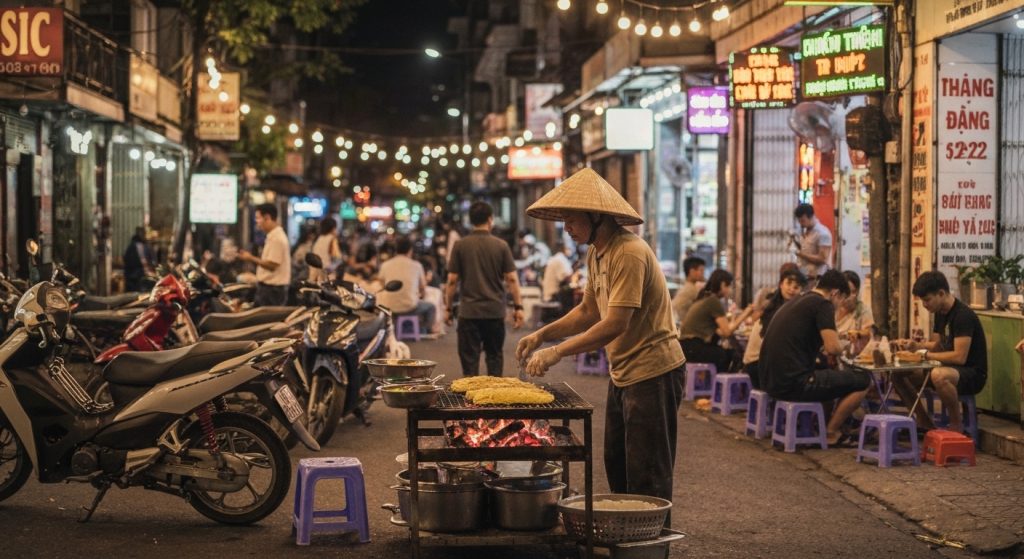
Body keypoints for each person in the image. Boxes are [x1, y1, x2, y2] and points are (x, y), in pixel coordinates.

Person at [516, 168, 685, 512]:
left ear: (596, 216)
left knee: (647, 476)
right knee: (618, 466)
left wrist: (557, 353)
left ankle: (648, 549)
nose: (566, 228)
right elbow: (588, 311)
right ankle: (627, 539)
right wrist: (542, 333)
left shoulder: (629, 252)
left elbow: (614, 324)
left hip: (653, 371)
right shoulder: (597, 252)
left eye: (571, 219)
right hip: (623, 372)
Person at [760, 269, 871, 446]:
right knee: (864, 380)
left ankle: (821, 426)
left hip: (769, 380)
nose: (840, 305)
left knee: (827, 371)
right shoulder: (823, 304)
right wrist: (846, 349)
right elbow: (833, 347)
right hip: (794, 383)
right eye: (841, 299)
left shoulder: (800, 299)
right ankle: (831, 432)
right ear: (835, 293)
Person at [894, 272, 987, 435]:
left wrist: (924, 355)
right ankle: (924, 421)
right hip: (949, 367)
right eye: (922, 300)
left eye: (927, 299)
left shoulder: (963, 316)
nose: (924, 304)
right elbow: (937, 346)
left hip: (972, 373)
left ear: (942, 294)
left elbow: (959, 357)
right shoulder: (940, 313)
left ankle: (956, 426)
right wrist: (916, 346)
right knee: (898, 375)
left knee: (938, 375)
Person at [445, 202, 525, 376]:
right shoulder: (501, 245)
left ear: (470, 220)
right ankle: (493, 401)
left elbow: (452, 281)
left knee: (469, 364)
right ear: (490, 219)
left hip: (469, 313)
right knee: (495, 358)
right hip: (494, 312)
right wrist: (518, 307)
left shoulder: (460, 245)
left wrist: (448, 309)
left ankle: (470, 402)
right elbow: (512, 278)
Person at [742, 267, 807, 389]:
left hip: (759, 365)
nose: (792, 289)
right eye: (789, 283)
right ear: (781, 284)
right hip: (759, 367)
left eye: (796, 287)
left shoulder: (783, 307)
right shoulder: (777, 309)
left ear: (801, 291)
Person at [677, 269, 754, 373]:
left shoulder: (704, 297)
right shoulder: (713, 301)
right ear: (722, 285)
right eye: (728, 286)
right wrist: (746, 313)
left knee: (727, 353)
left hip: (686, 347)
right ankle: (722, 386)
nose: (730, 290)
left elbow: (721, 332)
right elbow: (727, 332)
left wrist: (735, 318)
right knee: (732, 355)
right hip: (694, 347)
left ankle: (718, 385)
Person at [379, 236, 435, 332]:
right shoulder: (417, 265)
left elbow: (382, 284)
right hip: (410, 306)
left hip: (389, 306)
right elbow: (423, 287)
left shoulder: (385, 265)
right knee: (431, 307)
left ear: (396, 250)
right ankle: (424, 330)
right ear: (410, 250)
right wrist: (421, 296)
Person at [239, 203, 291, 306]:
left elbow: (272, 265)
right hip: (269, 289)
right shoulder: (272, 236)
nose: (257, 222)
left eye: (258, 218)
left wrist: (250, 258)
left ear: (267, 218)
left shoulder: (277, 238)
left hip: (273, 291)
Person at [835, 270, 875, 354]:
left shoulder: (863, 310)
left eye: (850, 292)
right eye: (843, 292)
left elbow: (868, 332)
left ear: (856, 292)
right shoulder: (832, 308)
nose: (846, 297)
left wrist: (856, 334)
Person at [793, 203, 833, 281]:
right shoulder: (805, 231)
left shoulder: (822, 233)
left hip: (817, 278)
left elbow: (822, 259)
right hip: (805, 276)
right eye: (799, 221)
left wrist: (800, 253)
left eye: (803, 221)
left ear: (811, 217)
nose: (801, 224)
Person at [671, 256, 706, 328]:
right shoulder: (691, 290)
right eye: (701, 270)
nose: (703, 274)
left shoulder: (688, 287)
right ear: (692, 271)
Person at [309, 217, 343, 284]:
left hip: (314, 278)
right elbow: (338, 259)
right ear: (333, 228)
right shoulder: (332, 239)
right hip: (326, 279)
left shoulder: (318, 239)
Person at [123, 226, 154, 292]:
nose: (145, 235)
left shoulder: (138, 245)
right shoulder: (138, 246)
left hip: (135, 277)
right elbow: (145, 262)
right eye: (144, 233)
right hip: (136, 278)